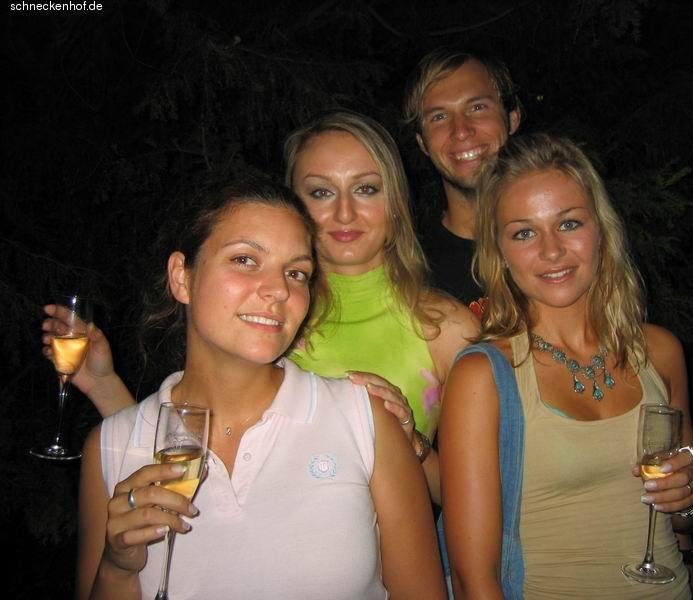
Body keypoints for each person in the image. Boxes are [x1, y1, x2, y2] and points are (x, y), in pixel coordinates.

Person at [74, 175, 446, 599]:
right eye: (245, 260)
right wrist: (117, 569)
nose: (278, 290)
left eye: (296, 272)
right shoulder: (112, 445)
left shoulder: (364, 419)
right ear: (181, 277)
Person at [438, 133, 693, 599]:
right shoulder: (483, 377)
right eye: (524, 233)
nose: (551, 251)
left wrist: (690, 496)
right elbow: (473, 580)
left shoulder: (660, 352)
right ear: (499, 252)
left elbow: (688, 519)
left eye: (568, 223)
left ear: (601, 229)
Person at [284, 110, 479, 503]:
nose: (344, 213)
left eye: (366, 189)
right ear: (292, 206)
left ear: (395, 201)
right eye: (321, 192)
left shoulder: (446, 327)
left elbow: (475, 499)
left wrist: (410, 441)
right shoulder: (269, 318)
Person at [403, 47, 522, 305]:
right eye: (439, 116)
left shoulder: (568, 247)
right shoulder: (411, 272)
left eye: (477, 107)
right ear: (422, 143)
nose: (460, 131)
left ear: (512, 119)